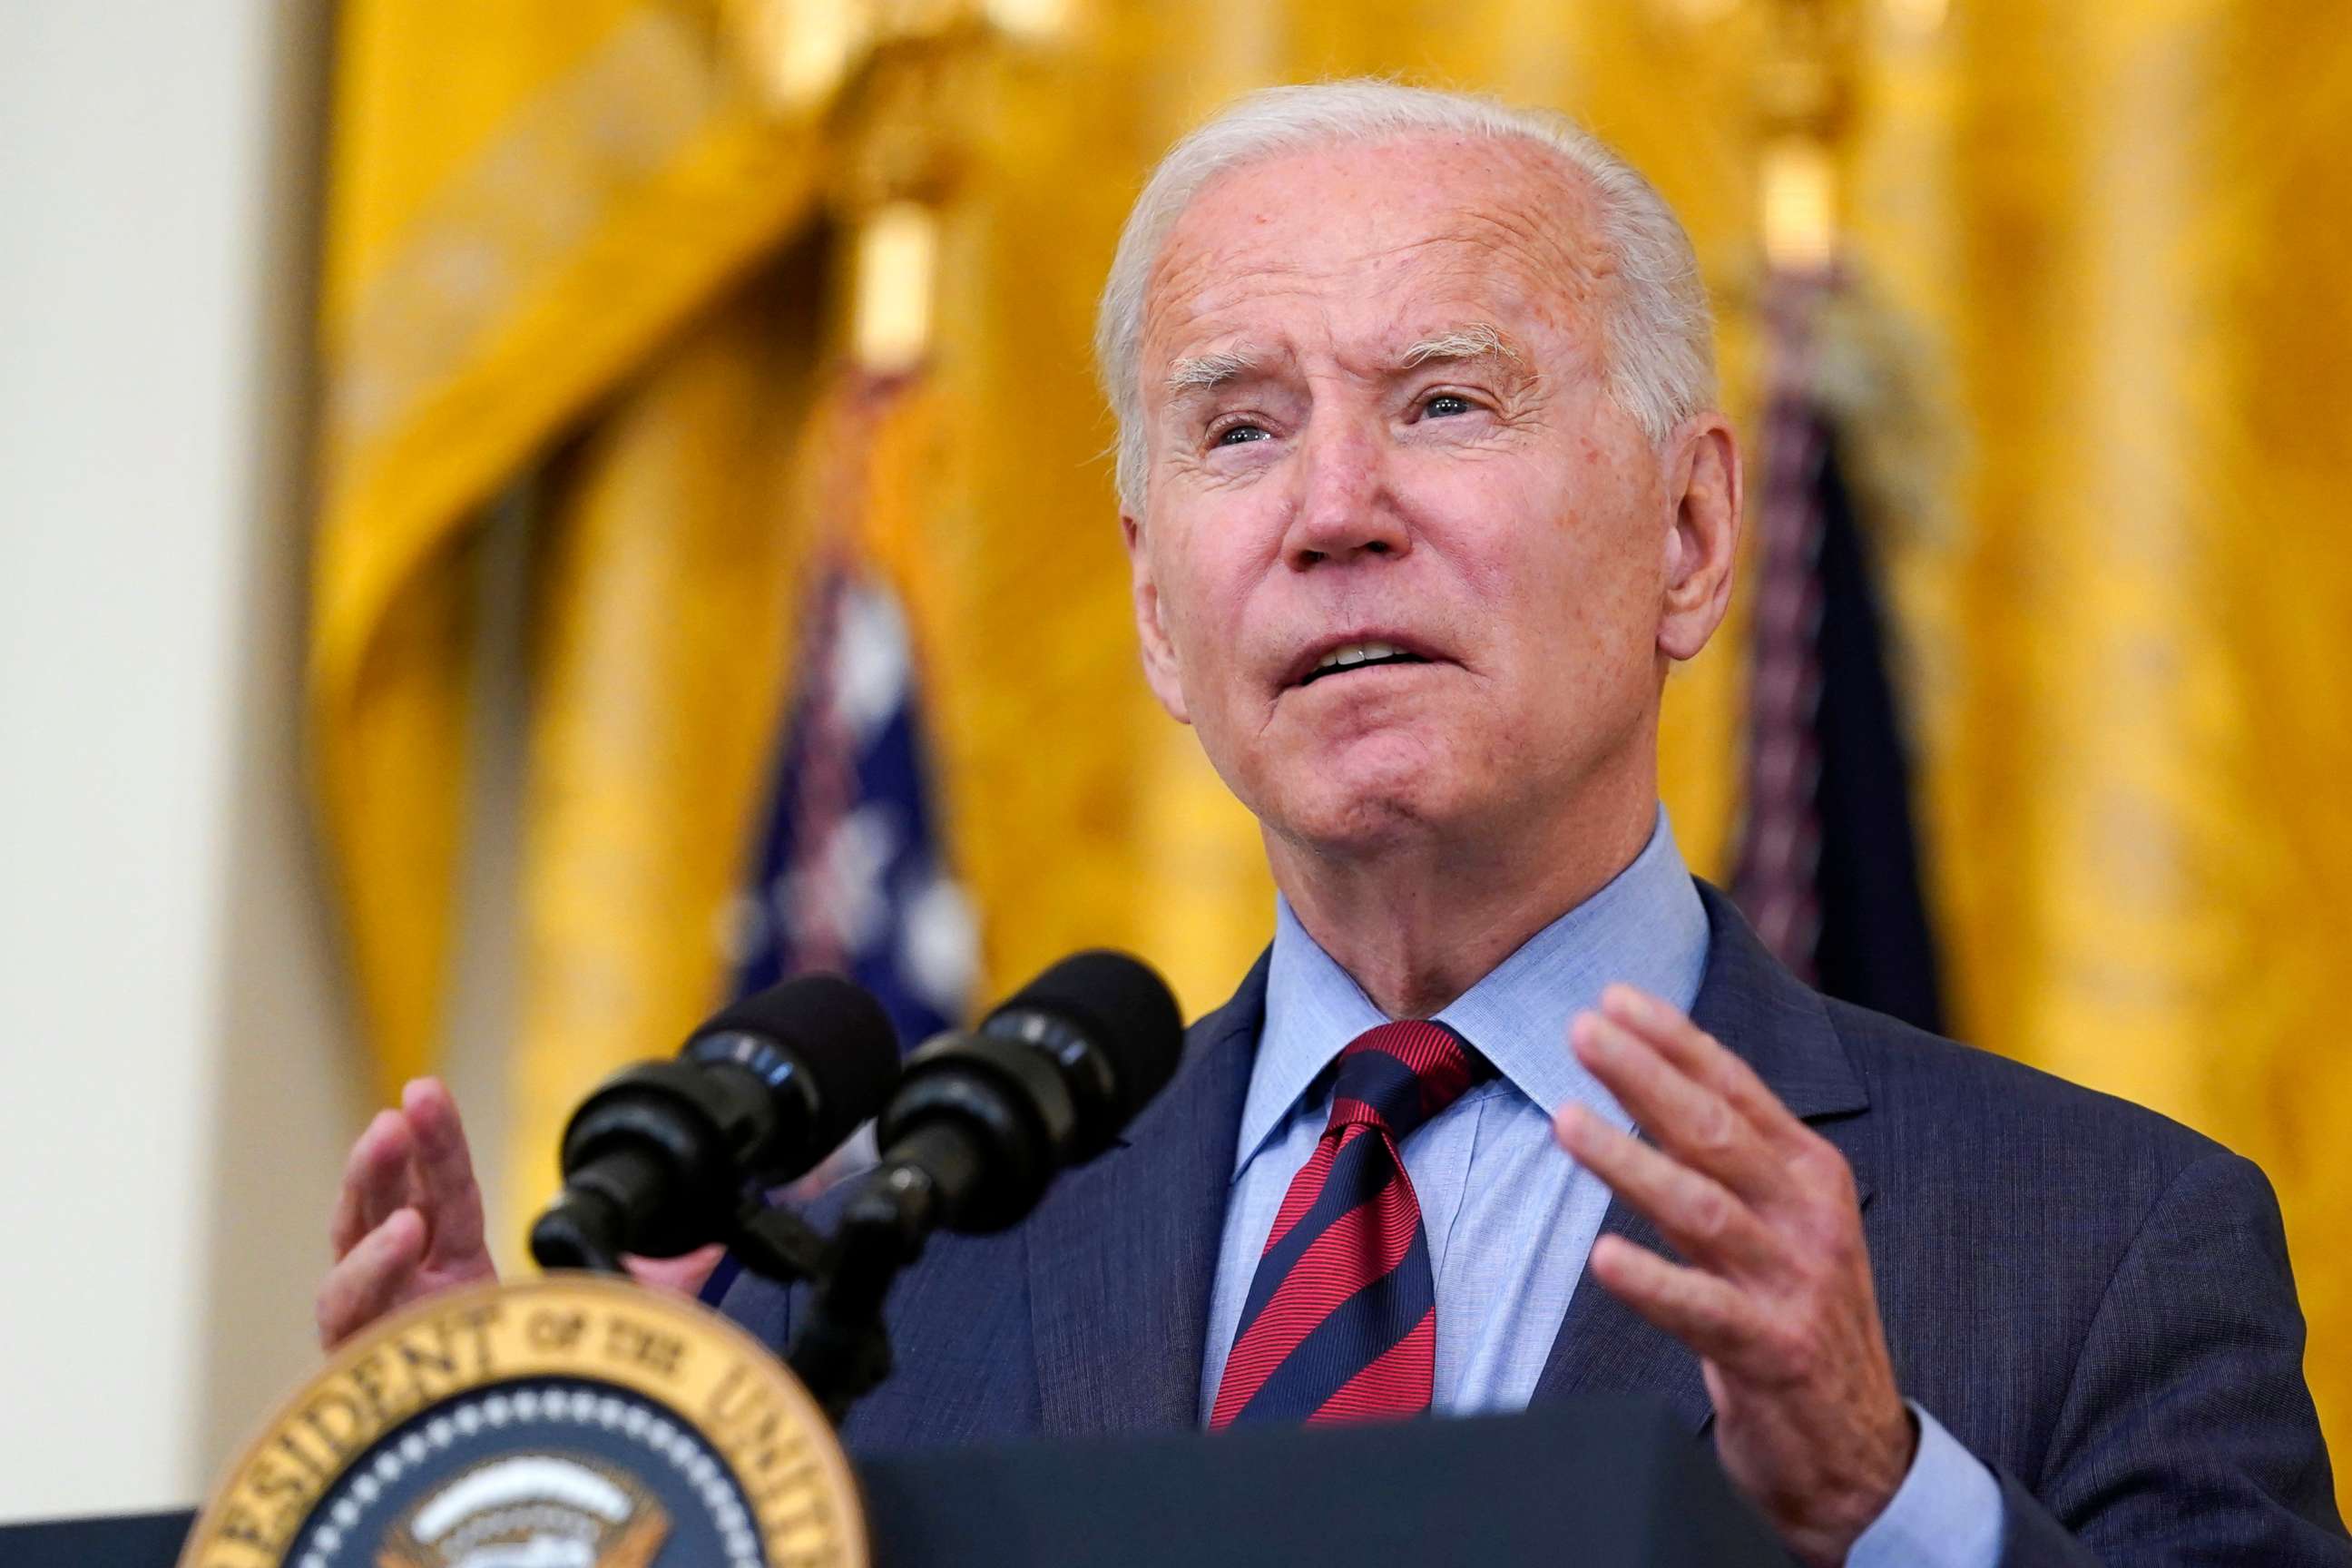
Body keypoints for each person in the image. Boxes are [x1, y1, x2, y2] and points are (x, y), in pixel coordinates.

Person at [317, 81, 2347, 1565]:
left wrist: (1889, 1505)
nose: (1335, 507)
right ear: (1152, 606)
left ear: (1694, 531)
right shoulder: (856, 1293)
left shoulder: (2109, 1247)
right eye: (1240, 427)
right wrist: (496, 1499)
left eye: (1447, 401)